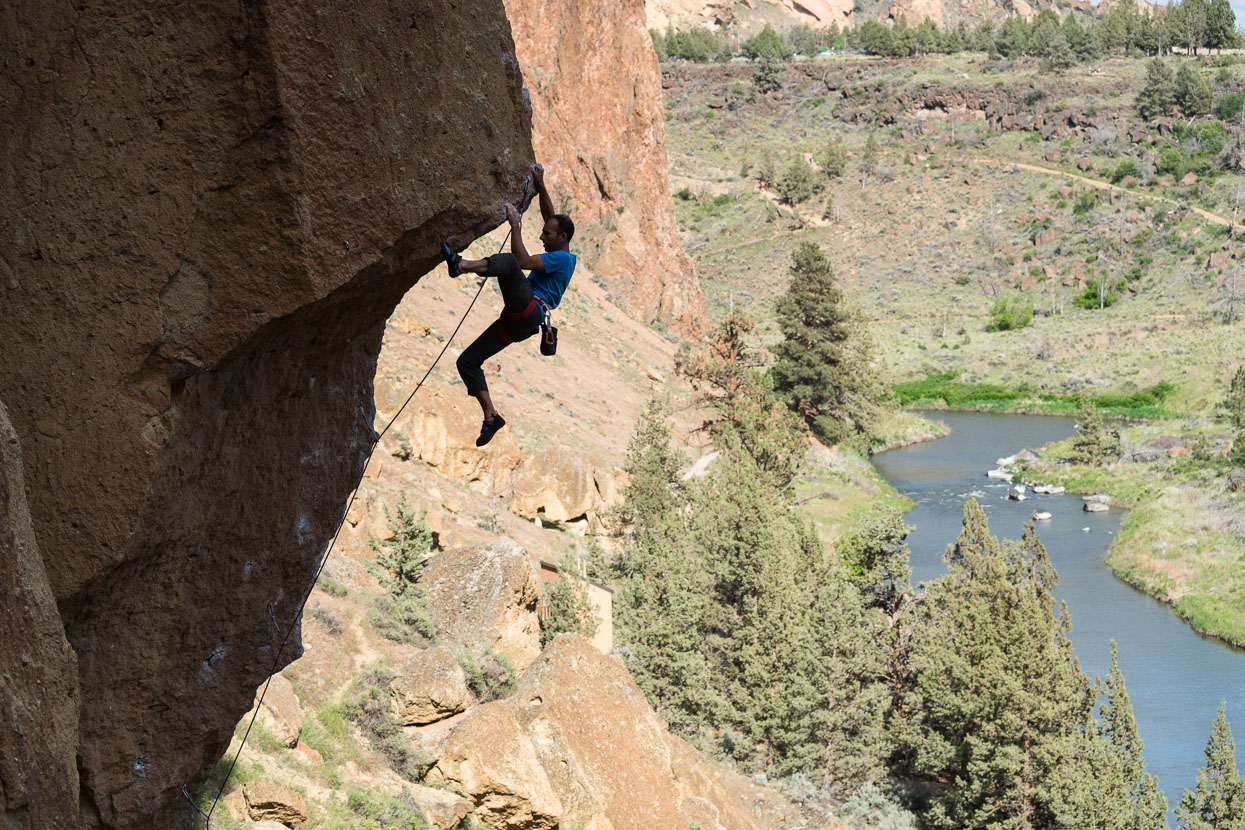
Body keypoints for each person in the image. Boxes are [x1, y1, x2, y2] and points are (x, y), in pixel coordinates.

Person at [440, 162, 576, 446]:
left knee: (512, 263)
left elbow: (524, 261)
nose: (542, 237)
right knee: (467, 361)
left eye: (547, 235)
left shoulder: (561, 258)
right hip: (519, 322)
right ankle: (491, 416)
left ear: (562, 238)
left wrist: (516, 225)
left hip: (528, 310)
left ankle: (461, 265)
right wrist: (541, 186)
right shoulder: (563, 251)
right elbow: (552, 218)